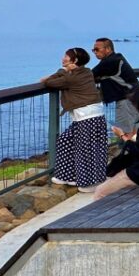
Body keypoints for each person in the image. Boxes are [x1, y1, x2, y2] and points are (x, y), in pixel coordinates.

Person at [41, 47, 107, 192]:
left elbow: (50, 83)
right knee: (66, 140)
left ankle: (88, 184)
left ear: (74, 60)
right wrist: (66, 71)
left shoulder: (72, 76)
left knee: (85, 149)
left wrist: (62, 71)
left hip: (87, 116)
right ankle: (67, 176)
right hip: (89, 115)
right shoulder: (86, 72)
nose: (63, 58)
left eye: (66, 56)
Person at [91, 38, 139, 134]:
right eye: (93, 50)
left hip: (126, 101)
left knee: (125, 132)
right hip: (134, 98)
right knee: (136, 131)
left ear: (108, 49)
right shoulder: (116, 59)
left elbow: (89, 75)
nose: (95, 52)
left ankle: (128, 148)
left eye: (97, 49)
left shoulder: (110, 61)